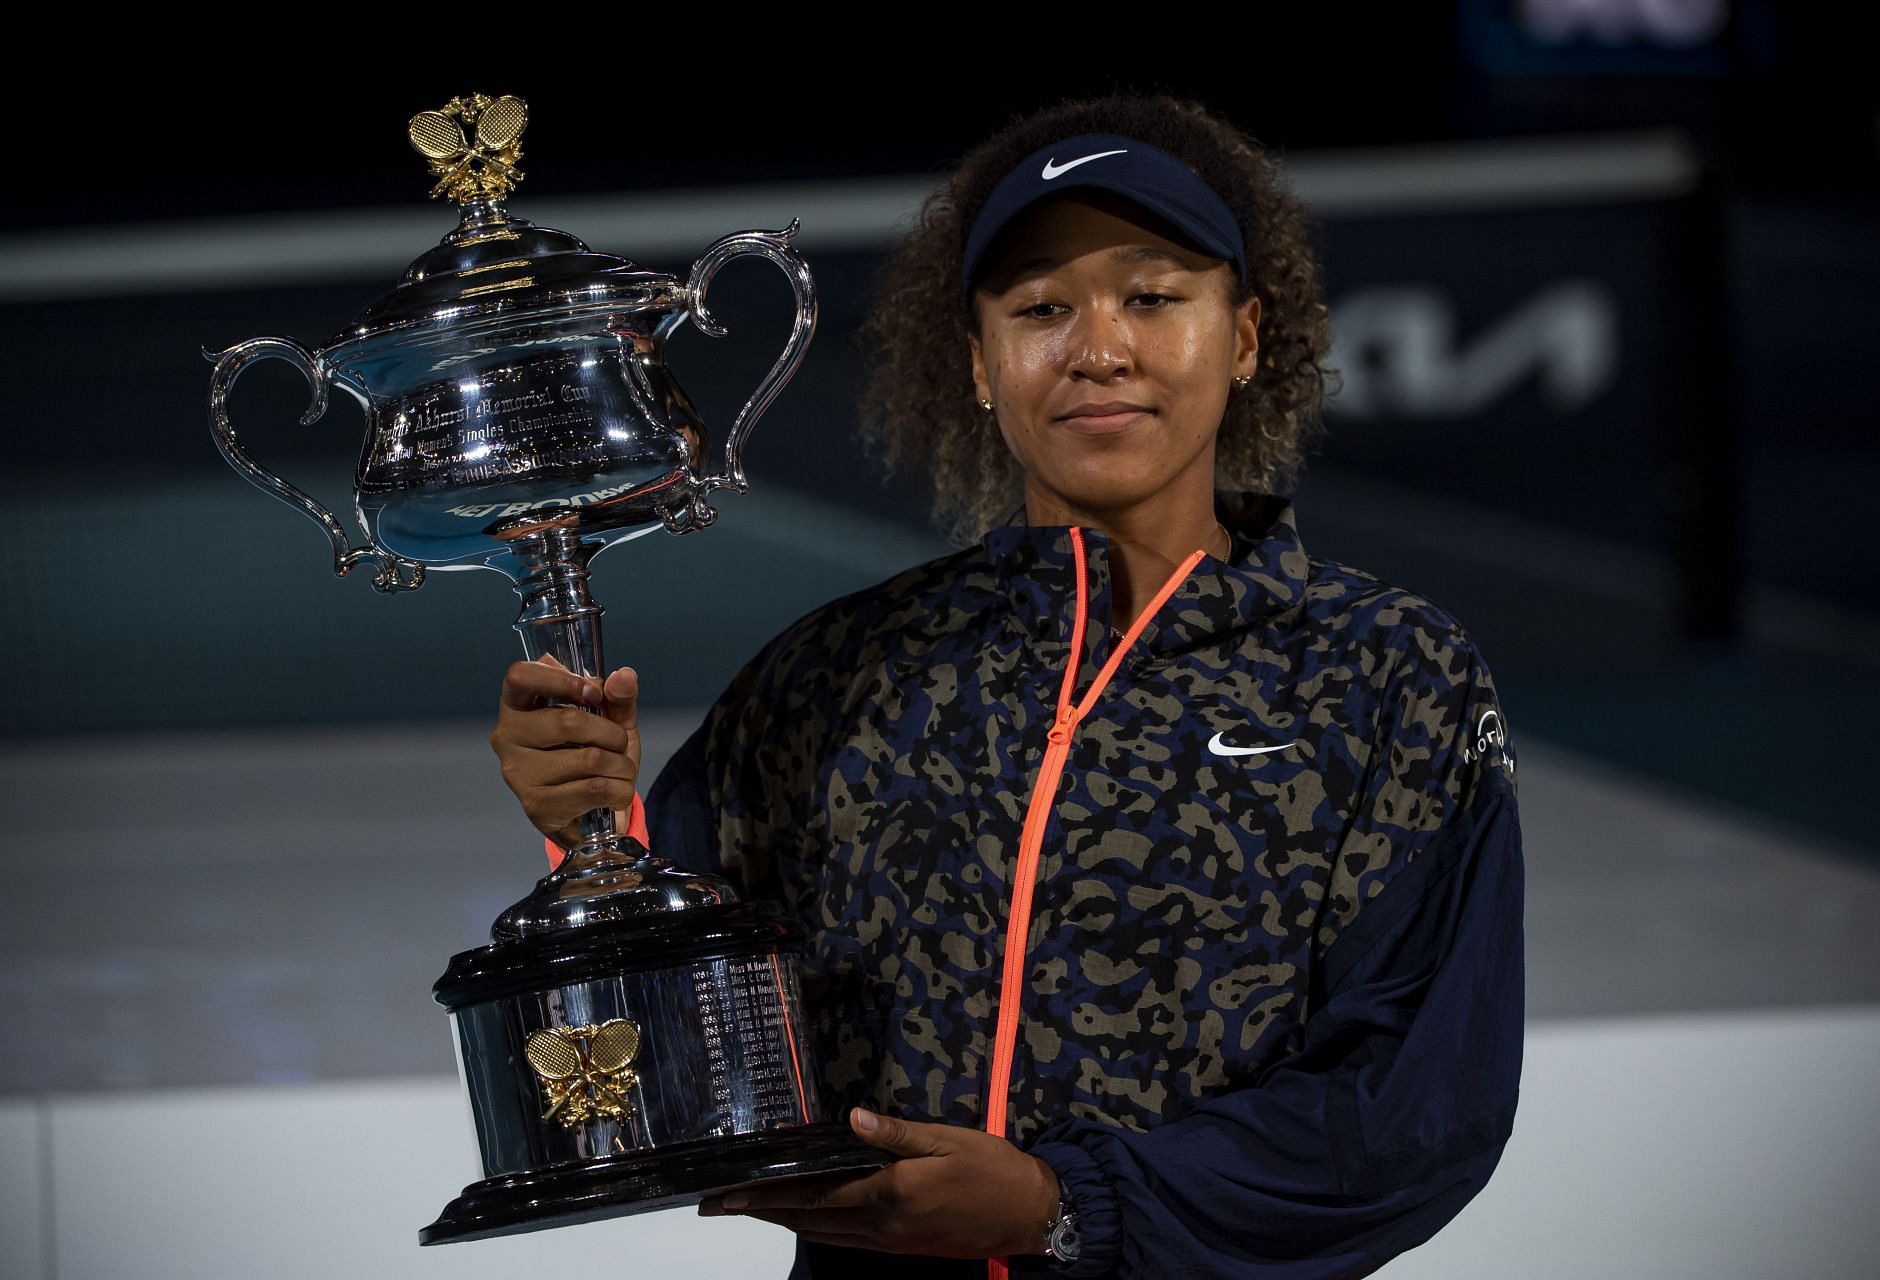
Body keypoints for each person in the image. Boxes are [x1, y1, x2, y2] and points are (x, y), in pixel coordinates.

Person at [491, 93, 1524, 1279]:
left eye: (1153, 295)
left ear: (1245, 337)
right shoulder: (833, 676)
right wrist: (587, 831)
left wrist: (1059, 1205)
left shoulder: (1389, 673)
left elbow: (1412, 1107)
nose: (1098, 348)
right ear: (979, 366)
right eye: (1039, 308)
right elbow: (689, 1060)